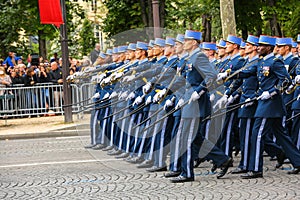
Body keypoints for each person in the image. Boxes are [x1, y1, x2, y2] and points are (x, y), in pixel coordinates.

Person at [241, 35, 300, 179]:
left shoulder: (275, 62)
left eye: (261, 46)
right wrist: (226, 76)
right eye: (258, 45)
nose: (258, 47)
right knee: (282, 136)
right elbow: (247, 73)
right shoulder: (261, 62)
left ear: (269, 48)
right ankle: (298, 161)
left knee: (257, 134)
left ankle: (255, 168)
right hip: (267, 104)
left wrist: (272, 92)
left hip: (270, 104)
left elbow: (286, 81)